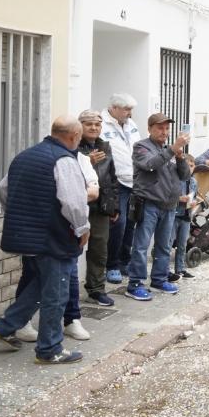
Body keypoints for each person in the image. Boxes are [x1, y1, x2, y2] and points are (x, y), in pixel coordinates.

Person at [0, 118, 90, 364]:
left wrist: (19, 216)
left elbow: (3, 190)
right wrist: (82, 229)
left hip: (29, 237)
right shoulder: (64, 160)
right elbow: (73, 203)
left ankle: (4, 327)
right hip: (53, 238)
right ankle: (49, 350)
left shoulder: (25, 156)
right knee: (56, 293)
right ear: (74, 136)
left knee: (39, 286)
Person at [126, 114, 190, 301]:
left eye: (167, 128)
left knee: (164, 246)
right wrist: (173, 149)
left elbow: (185, 176)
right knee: (141, 246)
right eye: (160, 128)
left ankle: (159, 279)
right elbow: (150, 165)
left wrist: (180, 158)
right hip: (149, 204)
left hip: (169, 206)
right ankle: (135, 284)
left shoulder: (168, 149)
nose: (164, 132)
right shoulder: (141, 147)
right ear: (149, 129)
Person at [77, 110, 119, 307]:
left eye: (97, 124)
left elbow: (112, 178)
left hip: (101, 206)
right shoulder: (72, 145)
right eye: (88, 124)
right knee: (72, 248)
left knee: (99, 249)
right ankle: (66, 291)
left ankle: (96, 290)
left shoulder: (105, 146)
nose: (93, 128)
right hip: (77, 205)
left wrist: (114, 206)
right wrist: (88, 162)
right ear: (80, 126)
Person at [101, 93, 141, 284]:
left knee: (131, 223)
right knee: (119, 224)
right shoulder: (102, 125)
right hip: (116, 183)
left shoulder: (131, 124)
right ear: (114, 108)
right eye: (126, 109)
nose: (130, 113)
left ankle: (125, 261)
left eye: (131, 109)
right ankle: (112, 265)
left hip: (135, 181)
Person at [171, 154, 198, 280]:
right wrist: (179, 199)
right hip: (175, 214)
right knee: (169, 243)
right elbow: (167, 196)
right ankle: (165, 271)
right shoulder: (176, 179)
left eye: (192, 166)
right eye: (188, 166)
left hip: (186, 216)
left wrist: (194, 202)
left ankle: (180, 269)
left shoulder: (194, 181)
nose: (190, 168)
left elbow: (195, 196)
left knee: (182, 244)